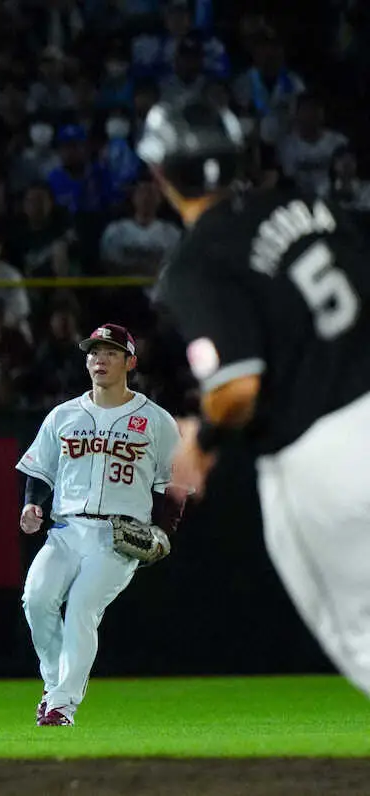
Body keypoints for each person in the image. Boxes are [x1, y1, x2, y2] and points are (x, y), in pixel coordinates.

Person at [138, 98, 370, 699]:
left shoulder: (196, 262)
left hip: (324, 455)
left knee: (361, 641)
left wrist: (204, 440)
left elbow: (238, 388)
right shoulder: (309, 203)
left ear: (160, 175)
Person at [16, 323, 184, 726]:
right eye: (94, 352)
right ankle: (55, 684)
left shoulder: (156, 420)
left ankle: (61, 705)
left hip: (118, 536)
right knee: (36, 600)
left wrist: (165, 530)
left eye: (109, 352)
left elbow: (176, 485)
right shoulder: (64, 415)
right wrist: (32, 506)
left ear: (130, 362)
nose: (100, 359)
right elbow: (39, 471)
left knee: (81, 609)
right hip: (66, 530)